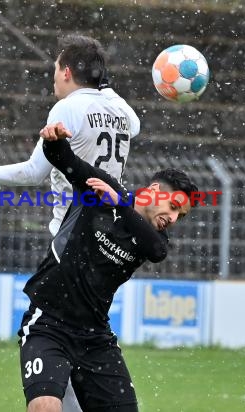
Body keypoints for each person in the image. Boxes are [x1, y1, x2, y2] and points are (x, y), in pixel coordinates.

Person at [0, 34, 139, 411]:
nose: (53, 77)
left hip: (71, 240)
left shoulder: (67, 109)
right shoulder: (121, 111)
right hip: (108, 239)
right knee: (87, 329)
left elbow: (33, 172)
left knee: (51, 322)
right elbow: (135, 124)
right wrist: (105, 90)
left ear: (66, 71)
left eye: (56, 68)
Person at [18, 125, 198, 412]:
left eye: (181, 215)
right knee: (45, 406)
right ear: (153, 191)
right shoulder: (103, 188)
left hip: (94, 337)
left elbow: (157, 251)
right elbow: (67, 161)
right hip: (48, 325)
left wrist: (122, 206)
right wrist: (53, 140)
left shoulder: (150, 236)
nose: (174, 218)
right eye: (174, 206)